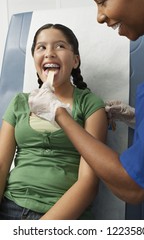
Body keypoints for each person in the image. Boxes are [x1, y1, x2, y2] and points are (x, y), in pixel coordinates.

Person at [28, 0, 144, 220]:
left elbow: (131, 183)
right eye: (41, 47)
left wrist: (59, 114)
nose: (99, 16)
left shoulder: (89, 104)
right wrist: (140, 118)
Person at [0, 23, 108, 220]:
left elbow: (89, 184)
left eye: (59, 46)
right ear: (35, 59)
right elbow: (0, 164)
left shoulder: (91, 105)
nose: (49, 53)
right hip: (10, 206)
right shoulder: (20, 102)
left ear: (75, 60)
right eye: (41, 47)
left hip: (64, 216)